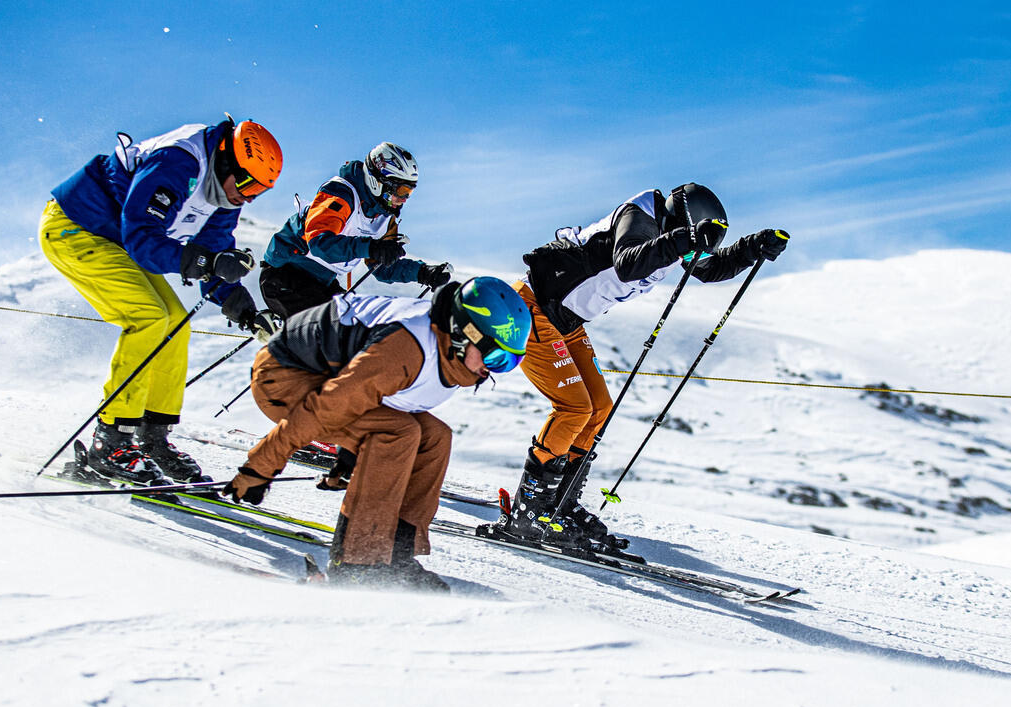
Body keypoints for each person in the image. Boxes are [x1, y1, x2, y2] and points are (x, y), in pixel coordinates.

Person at [497, 183, 789, 548]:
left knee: (600, 408)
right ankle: (529, 511)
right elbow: (629, 263)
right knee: (575, 408)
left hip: (567, 322)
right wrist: (686, 238)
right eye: (690, 235)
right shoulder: (639, 216)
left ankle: (561, 505)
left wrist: (751, 248)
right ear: (680, 219)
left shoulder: (671, 237)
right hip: (531, 310)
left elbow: (710, 269)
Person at [223, 277, 532, 591]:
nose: (494, 370)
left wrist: (350, 458)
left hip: (331, 381)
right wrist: (259, 467)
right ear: (465, 334)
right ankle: (358, 563)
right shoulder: (406, 350)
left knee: (435, 438)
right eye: (496, 357)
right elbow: (328, 407)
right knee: (399, 432)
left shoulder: (445, 352)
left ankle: (396, 556)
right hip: (283, 378)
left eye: (511, 362)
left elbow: (373, 396)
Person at [39, 116, 283, 483]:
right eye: (247, 183)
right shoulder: (177, 162)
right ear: (226, 159)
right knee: (149, 317)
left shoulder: (225, 195)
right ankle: (111, 440)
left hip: (117, 242)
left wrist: (244, 310)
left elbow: (215, 252)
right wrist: (208, 262)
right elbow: (142, 238)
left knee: (176, 325)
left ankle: (150, 438)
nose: (246, 196)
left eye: (259, 192)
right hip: (76, 227)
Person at [258, 142, 453, 320]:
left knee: (357, 328)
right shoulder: (341, 193)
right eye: (401, 191)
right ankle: (288, 343)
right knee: (334, 334)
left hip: (320, 283)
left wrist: (423, 273)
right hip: (285, 275)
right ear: (379, 181)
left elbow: (383, 267)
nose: (404, 199)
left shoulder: (384, 218)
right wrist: (371, 247)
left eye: (409, 193)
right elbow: (320, 244)